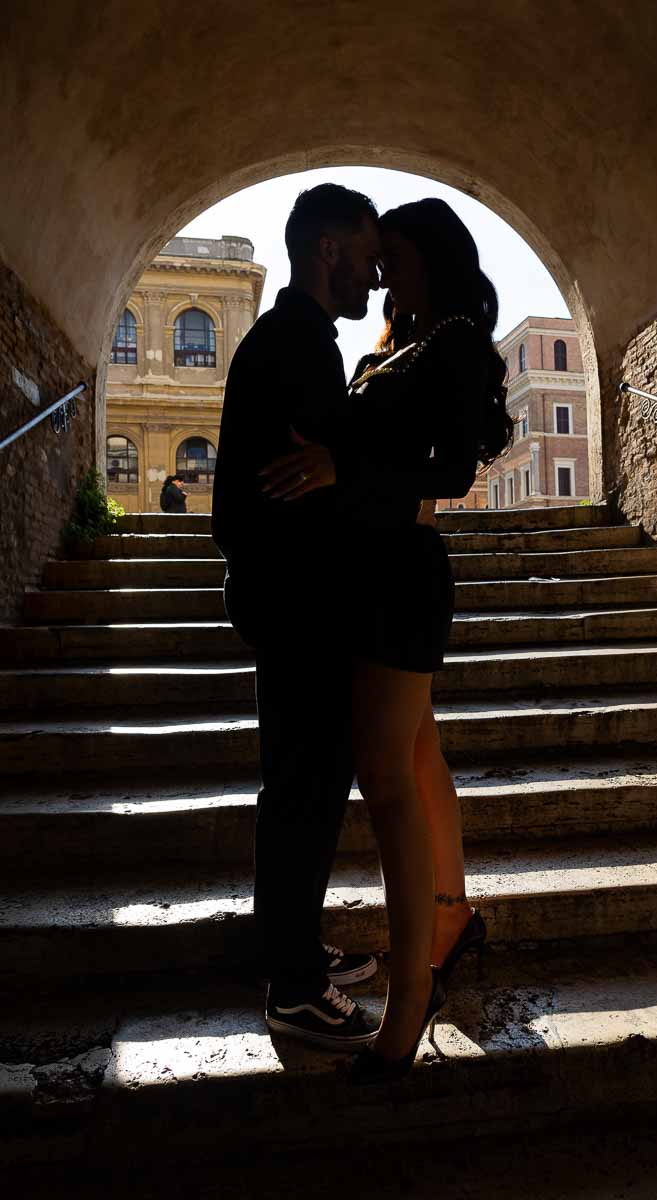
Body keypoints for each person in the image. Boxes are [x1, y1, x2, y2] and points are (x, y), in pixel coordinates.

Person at [260, 198, 512, 1082]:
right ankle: (451, 916)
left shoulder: (450, 340)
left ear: (427, 261)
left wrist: (342, 467)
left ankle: (410, 1005)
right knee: (420, 760)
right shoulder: (395, 342)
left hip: (400, 576)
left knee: (388, 782)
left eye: (393, 257)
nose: (380, 273)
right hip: (364, 574)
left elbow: (450, 469)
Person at [212, 184, 383, 1050]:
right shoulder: (296, 345)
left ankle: (293, 948)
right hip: (301, 606)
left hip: (288, 599)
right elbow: (315, 483)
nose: (376, 274)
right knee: (306, 793)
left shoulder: (291, 340)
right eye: (366, 253)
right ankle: (295, 988)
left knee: (303, 787)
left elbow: (313, 470)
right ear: (326, 249)